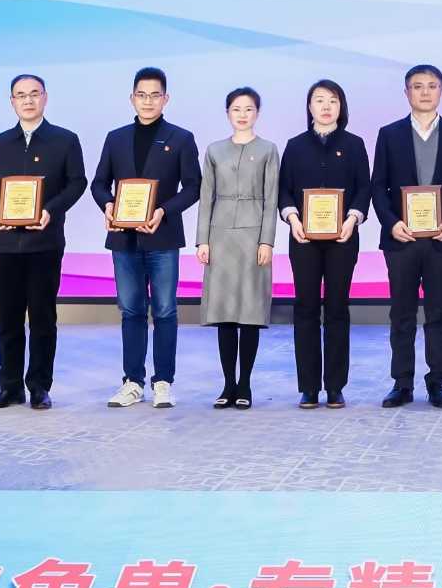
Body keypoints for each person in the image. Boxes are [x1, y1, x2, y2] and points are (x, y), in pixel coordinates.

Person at [0, 73, 87, 410]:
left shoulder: (65, 140)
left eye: (34, 93)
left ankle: (38, 386)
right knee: (7, 319)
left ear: (45, 97)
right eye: (21, 95)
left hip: (44, 243)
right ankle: (9, 388)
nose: (28, 100)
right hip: (3, 244)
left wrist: (50, 210)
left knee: (42, 318)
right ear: (12, 102)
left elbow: (77, 183)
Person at [91, 66, 201, 409]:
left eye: (155, 95)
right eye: (142, 95)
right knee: (131, 310)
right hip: (123, 240)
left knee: (165, 310)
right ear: (132, 98)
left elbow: (194, 186)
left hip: (162, 236)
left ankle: (163, 381)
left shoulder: (181, 138)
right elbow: (98, 183)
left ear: (166, 99)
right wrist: (108, 205)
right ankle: (133, 382)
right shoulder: (116, 138)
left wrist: (164, 211)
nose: (148, 101)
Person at [370, 64, 442, 408]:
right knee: (401, 313)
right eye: (417, 86)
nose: (425, 92)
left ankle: (437, 382)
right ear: (407, 93)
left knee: (438, 312)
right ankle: (401, 383)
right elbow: (378, 186)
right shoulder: (389, 134)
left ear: (441, 91)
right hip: (401, 239)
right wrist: (390, 223)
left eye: (432, 85)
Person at [278, 79, 369, 409]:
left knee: (337, 308)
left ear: (341, 106)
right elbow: (284, 189)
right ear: (309, 107)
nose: (326, 106)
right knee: (305, 307)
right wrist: (292, 219)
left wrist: (352, 219)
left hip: (343, 238)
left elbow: (364, 188)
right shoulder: (295, 145)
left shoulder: (355, 144)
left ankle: (335, 386)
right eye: (319, 100)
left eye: (333, 100)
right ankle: (308, 387)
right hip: (303, 238)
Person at [198, 87, 279, 410]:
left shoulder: (268, 150)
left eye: (248, 109)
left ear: (257, 113)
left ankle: (245, 383)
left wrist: (266, 241)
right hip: (220, 237)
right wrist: (203, 240)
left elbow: (271, 199)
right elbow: (206, 197)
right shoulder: (214, 150)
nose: (242, 114)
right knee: (225, 314)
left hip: (253, 238)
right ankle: (227, 384)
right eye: (236, 109)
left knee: (249, 313)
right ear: (227, 113)